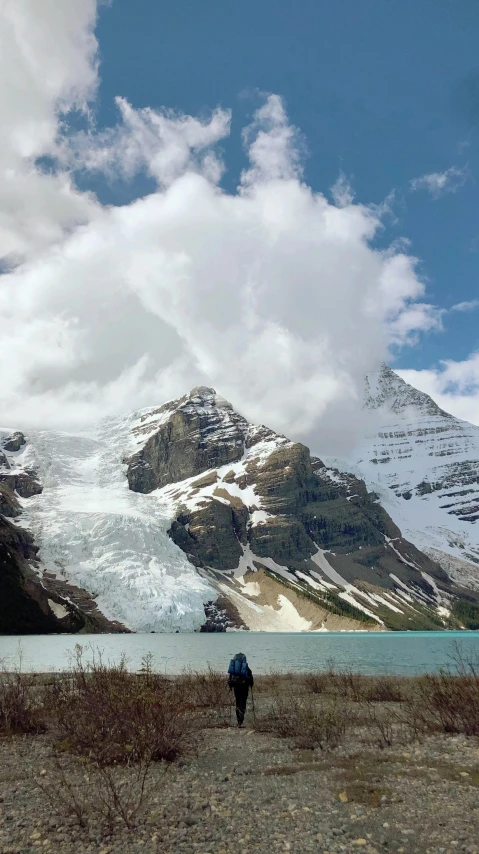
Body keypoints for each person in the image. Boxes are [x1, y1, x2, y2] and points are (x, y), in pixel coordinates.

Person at [227, 652, 254, 727]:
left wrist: (230, 687)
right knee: (243, 702)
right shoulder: (246, 668)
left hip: (236, 688)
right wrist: (251, 685)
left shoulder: (234, 669)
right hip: (244, 688)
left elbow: (230, 678)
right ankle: (241, 719)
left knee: (238, 702)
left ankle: (238, 720)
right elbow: (251, 679)